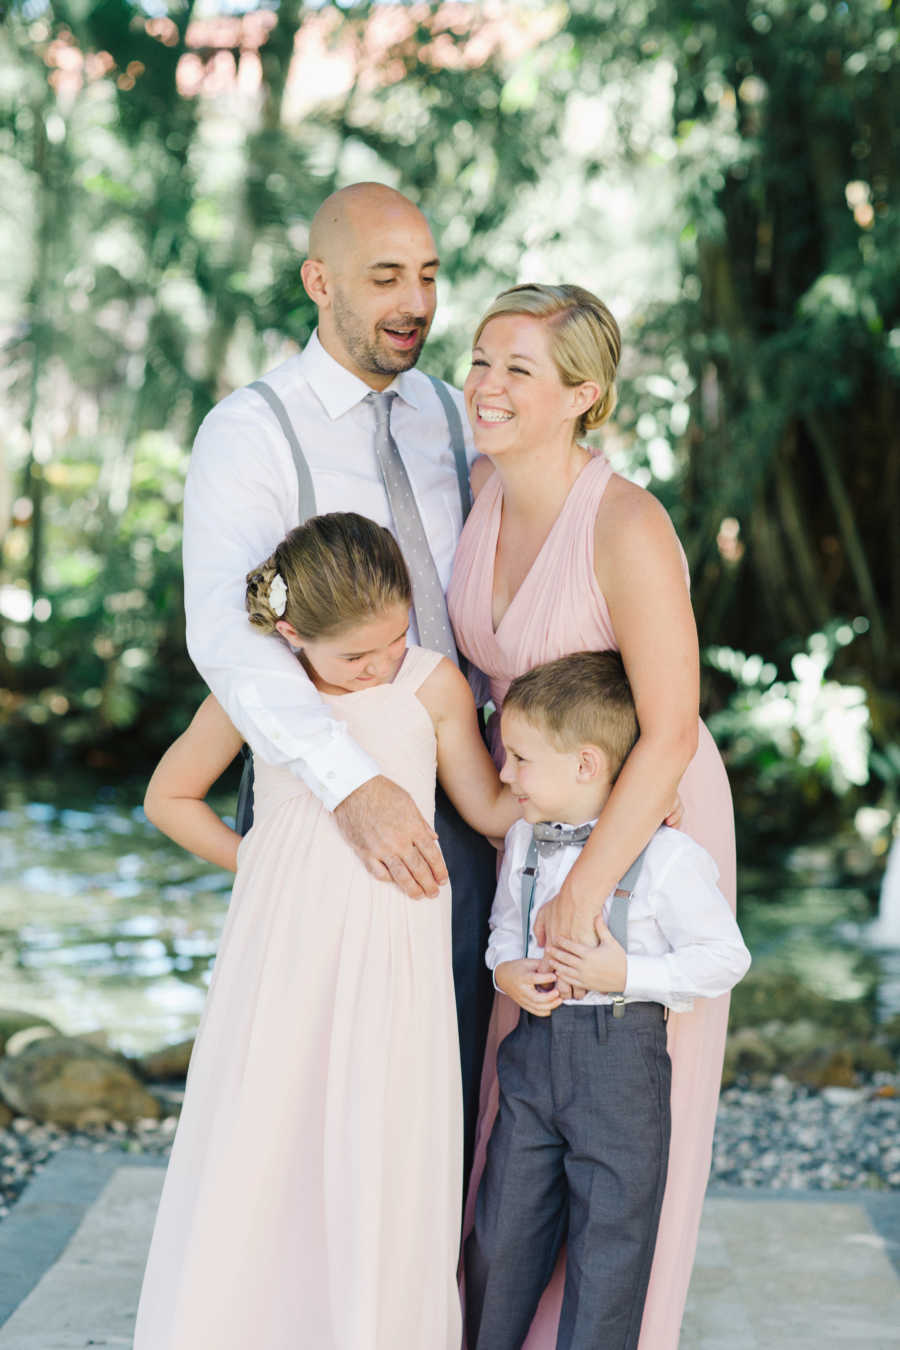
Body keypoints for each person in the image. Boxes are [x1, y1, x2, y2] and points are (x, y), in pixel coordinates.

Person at [134, 513, 520, 1350]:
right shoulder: (261, 688)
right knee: (265, 1133)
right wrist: (264, 862)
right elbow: (168, 797)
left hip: (394, 961)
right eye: (355, 657)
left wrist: (587, 789)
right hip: (279, 956)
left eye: (393, 638)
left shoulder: (430, 684)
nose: (380, 664)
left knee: (378, 1142)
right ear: (290, 631)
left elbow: (488, 807)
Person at [182, 181, 497, 1181]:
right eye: (386, 277)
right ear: (320, 282)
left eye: (431, 276)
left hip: (468, 777)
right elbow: (229, 642)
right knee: (311, 1091)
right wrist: (347, 786)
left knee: (446, 1078)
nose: (417, 300)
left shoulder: (457, 415)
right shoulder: (250, 431)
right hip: (321, 790)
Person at [447, 283, 738, 1349]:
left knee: (621, 1123)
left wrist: (586, 884)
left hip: (640, 820)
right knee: (512, 1109)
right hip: (523, 804)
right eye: (481, 360)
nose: (486, 385)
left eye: (519, 369)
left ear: (585, 394)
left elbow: (668, 729)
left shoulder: (625, 520)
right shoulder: (477, 486)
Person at [463, 651, 750, 1350]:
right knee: (500, 1240)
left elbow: (727, 958)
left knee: (609, 1256)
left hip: (620, 1070)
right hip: (531, 1063)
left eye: (521, 759)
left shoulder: (667, 858)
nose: (504, 775)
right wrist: (508, 974)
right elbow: (504, 929)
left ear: (587, 764)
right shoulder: (526, 841)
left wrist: (626, 975)